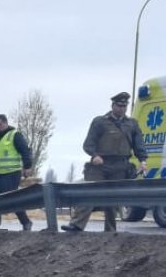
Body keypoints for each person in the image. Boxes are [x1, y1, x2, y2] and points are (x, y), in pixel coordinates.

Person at [63, 91, 149, 233]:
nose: (122, 109)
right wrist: (94, 155)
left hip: (120, 165)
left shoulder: (131, 124)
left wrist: (143, 160)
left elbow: (138, 145)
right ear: (113, 105)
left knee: (112, 198)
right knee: (90, 191)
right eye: (119, 106)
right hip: (100, 164)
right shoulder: (100, 122)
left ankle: (110, 230)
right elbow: (88, 144)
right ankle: (76, 225)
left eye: (124, 106)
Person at [0, 114, 34, 231]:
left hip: (11, 173)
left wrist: (27, 166)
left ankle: (26, 222)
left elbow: (25, 151)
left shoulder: (15, 135)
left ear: (6, 123)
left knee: (11, 199)